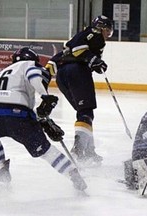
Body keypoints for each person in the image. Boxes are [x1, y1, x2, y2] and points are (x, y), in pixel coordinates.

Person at [0, 47, 87, 191]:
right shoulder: (29, 64)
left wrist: (40, 119)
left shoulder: (0, 73)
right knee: (45, 150)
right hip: (18, 116)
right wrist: (45, 95)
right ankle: (74, 175)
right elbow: (34, 75)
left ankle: (1, 171)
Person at [45, 15, 114, 164]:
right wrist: (94, 60)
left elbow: (57, 59)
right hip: (77, 72)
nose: (108, 34)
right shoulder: (95, 35)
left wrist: (95, 63)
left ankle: (89, 150)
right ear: (101, 28)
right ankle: (78, 150)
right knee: (85, 113)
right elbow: (78, 50)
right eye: (107, 30)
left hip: (62, 76)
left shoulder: (84, 36)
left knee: (84, 114)